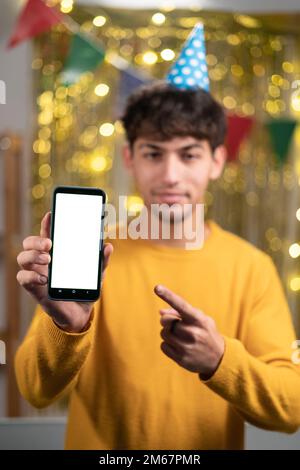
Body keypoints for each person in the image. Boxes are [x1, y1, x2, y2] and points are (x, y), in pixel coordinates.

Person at [15, 82, 300, 450]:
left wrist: (220, 361)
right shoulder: (93, 257)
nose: (170, 175)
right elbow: (34, 392)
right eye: (153, 154)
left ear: (216, 161)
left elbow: (291, 408)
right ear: (130, 158)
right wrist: (67, 327)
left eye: (189, 155)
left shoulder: (251, 268)